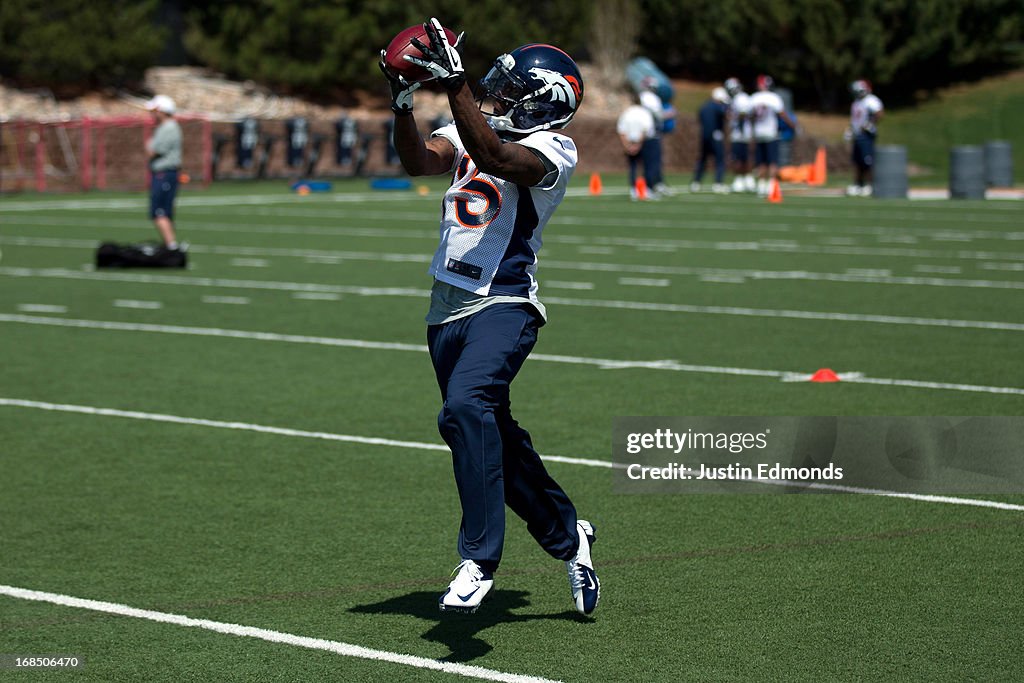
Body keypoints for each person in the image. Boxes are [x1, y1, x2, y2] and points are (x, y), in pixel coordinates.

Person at [380, 18, 600, 616]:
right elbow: (420, 162)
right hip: (445, 309)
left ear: (541, 104)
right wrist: (404, 102)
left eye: (510, 90)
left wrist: (454, 85)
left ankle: (479, 559)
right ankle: (568, 535)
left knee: (463, 409)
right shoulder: (474, 123)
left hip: (503, 303)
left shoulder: (555, 149)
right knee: (497, 441)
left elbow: (496, 155)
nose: (496, 96)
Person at [144, 95, 183, 251]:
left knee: (159, 211)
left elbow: (152, 151)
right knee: (163, 211)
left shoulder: (168, 128)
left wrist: (148, 145)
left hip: (164, 173)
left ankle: (171, 245)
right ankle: (170, 244)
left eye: (155, 110)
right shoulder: (166, 127)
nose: (152, 114)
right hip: (165, 173)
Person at [748, 75, 796, 196]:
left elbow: (750, 116)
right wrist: (793, 125)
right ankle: (771, 185)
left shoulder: (754, 98)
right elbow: (782, 114)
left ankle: (762, 185)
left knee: (761, 162)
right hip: (770, 132)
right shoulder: (774, 98)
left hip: (758, 133)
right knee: (772, 161)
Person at [638, 77, 675, 196]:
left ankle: (657, 183)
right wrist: (669, 114)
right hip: (651, 133)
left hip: (644, 132)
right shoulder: (651, 98)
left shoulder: (641, 97)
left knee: (652, 162)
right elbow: (657, 115)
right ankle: (650, 187)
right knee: (653, 162)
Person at [846, 79, 884, 196]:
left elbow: (879, 113)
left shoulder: (871, 100)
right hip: (857, 134)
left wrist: (870, 123)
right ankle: (858, 184)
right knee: (857, 161)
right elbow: (855, 120)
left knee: (867, 161)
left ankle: (869, 185)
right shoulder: (856, 102)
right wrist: (850, 130)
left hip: (866, 135)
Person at [617, 93, 658, 200]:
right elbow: (645, 130)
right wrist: (638, 145)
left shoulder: (626, 113)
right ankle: (647, 189)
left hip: (630, 142)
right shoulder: (644, 113)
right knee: (647, 166)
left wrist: (627, 146)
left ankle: (633, 190)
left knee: (633, 167)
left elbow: (621, 131)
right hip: (643, 143)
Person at [691, 87, 730, 193]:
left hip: (704, 136)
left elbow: (699, 118)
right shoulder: (719, 107)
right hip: (716, 136)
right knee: (720, 160)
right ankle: (718, 183)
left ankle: (696, 182)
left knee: (702, 160)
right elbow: (727, 116)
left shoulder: (704, 106)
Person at [724, 77, 754, 193]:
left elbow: (743, 113)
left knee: (742, 158)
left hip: (741, 133)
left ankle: (745, 180)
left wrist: (735, 120)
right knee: (740, 158)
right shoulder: (736, 99)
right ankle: (742, 180)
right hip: (740, 133)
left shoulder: (741, 98)